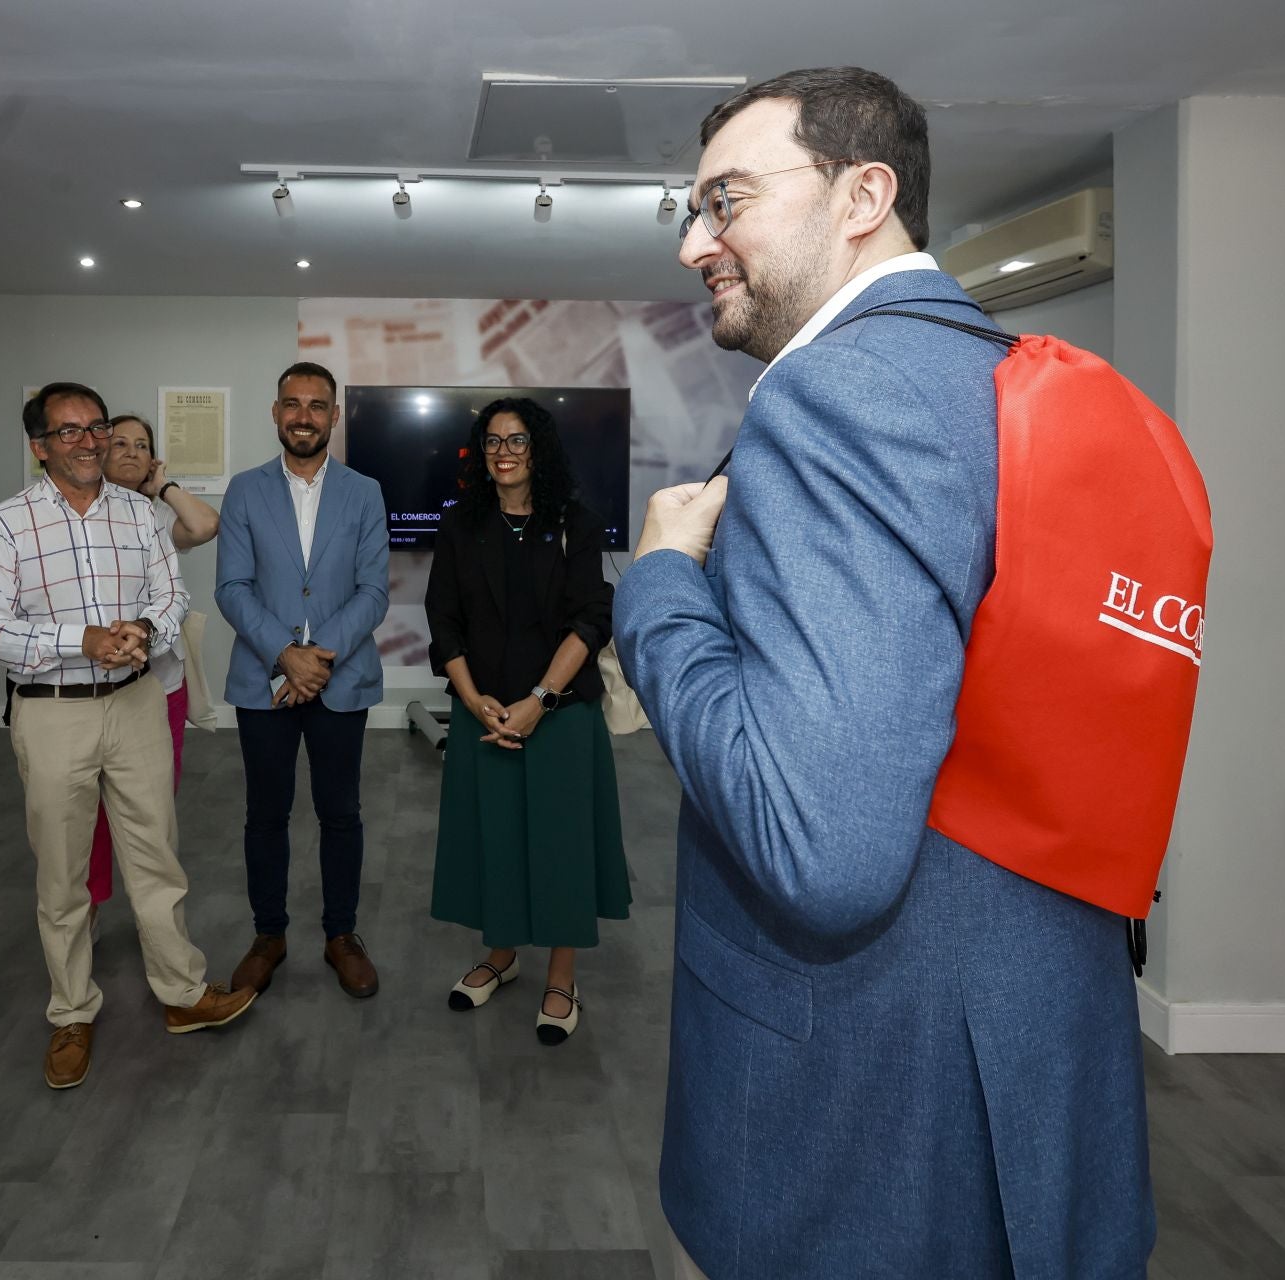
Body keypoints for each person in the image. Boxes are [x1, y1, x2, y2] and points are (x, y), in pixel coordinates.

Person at [612, 68, 1155, 1279]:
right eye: (690, 209)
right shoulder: (1000, 374)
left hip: (865, 1119)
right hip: (1031, 1053)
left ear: (865, 193)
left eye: (728, 198)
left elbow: (824, 853)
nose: (697, 239)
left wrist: (657, 587)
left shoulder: (836, 396)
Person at [0, 382, 256, 1092]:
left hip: (136, 705)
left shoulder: (139, 515)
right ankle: (71, 1012)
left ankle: (183, 995)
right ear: (40, 447)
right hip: (52, 709)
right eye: (69, 432)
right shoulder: (7, 523)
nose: (89, 441)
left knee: (156, 857)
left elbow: (171, 594)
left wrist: (146, 630)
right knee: (63, 874)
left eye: (96, 428)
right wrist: (83, 639)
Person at [424, 397, 628, 1044]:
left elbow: (591, 620)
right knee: (496, 839)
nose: (503, 453)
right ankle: (503, 957)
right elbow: (444, 620)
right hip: (481, 710)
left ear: (537, 449)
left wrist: (538, 700)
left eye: (516, 441)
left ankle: (562, 978)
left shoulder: (577, 522)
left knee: (562, 847)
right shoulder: (460, 524)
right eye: (491, 442)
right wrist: (473, 696)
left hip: (560, 716)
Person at [214, 362, 390, 999]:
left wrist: (317, 659)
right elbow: (231, 587)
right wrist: (288, 655)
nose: (305, 416)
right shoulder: (243, 491)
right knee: (266, 815)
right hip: (264, 681)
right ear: (275, 412)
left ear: (335, 416)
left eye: (318, 405)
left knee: (341, 813)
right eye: (293, 403)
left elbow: (374, 592)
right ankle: (269, 935)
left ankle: (341, 934)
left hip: (340, 681)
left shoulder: (365, 491)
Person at [82, 413, 221, 923]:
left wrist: (162, 486)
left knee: (153, 809)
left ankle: (156, 920)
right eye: (119, 443)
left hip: (160, 684)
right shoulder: (75, 517)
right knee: (87, 814)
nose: (131, 452)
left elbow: (205, 525)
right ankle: (91, 906)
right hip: (91, 688)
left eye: (142, 445)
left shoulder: (157, 520)